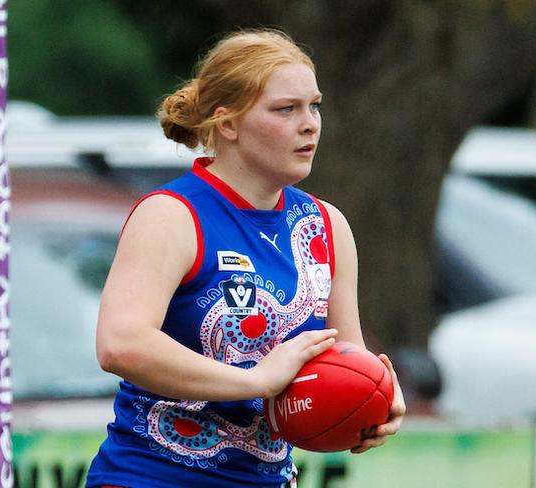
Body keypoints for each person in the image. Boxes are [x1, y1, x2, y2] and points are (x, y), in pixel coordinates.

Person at [85, 28, 405, 488]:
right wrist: (255, 381)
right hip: (151, 478)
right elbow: (121, 344)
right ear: (227, 123)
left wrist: (375, 396)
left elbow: (343, 355)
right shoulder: (173, 215)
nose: (310, 123)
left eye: (314, 106)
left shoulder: (326, 224)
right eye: (286, 109)